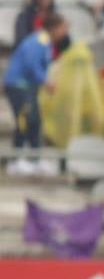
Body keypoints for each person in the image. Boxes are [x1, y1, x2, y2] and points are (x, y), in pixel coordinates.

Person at [4, 13, 67, 176]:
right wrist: (46, 81)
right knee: (25, 119)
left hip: (29, 87)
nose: (64, 32)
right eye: (62, 28)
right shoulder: (41, 39)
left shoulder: (47, 43)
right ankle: (15, 159)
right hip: (18, 85)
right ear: (54, 28)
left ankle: (35, 159)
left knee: (35, 121)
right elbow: (31, 64)